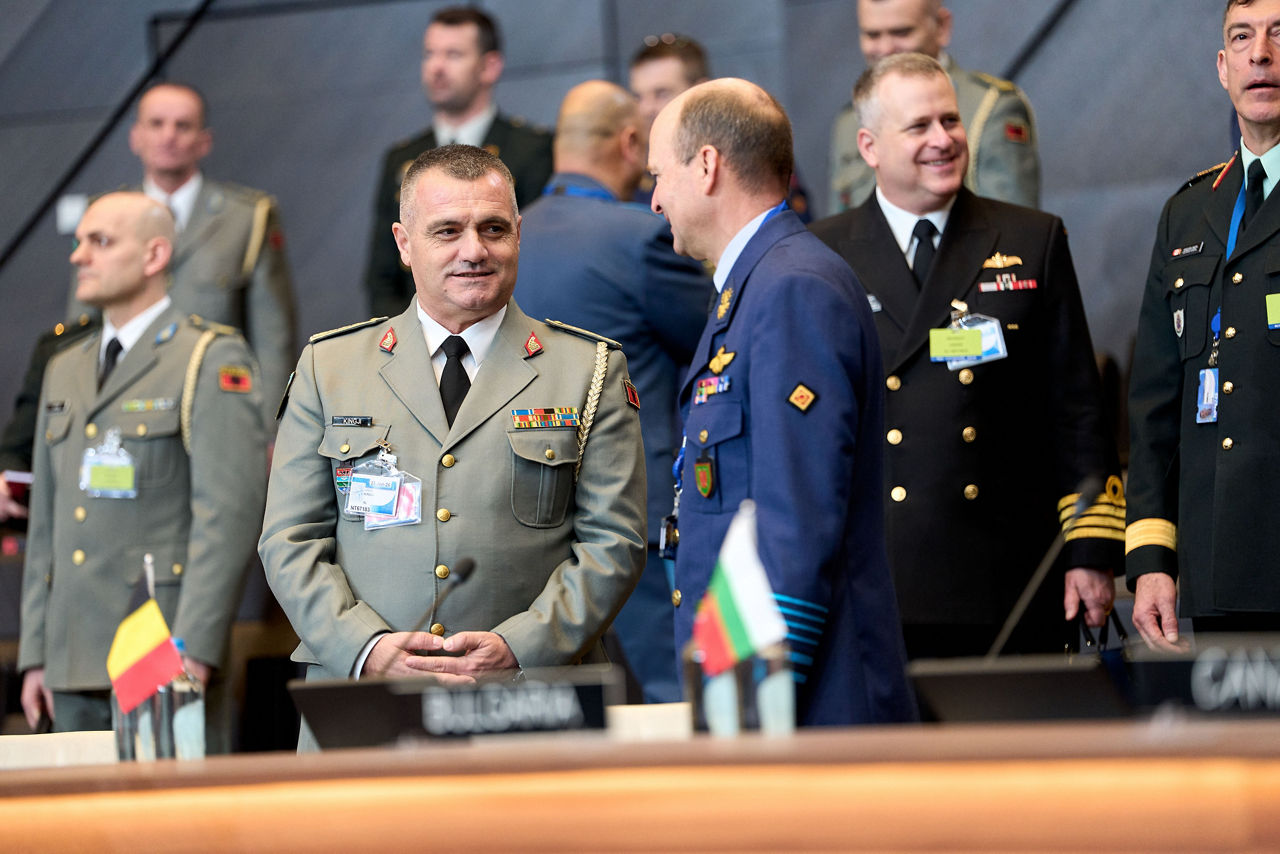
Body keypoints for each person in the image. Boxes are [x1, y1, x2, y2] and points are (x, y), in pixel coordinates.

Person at [260, 145, 646, 748]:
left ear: (519, 234)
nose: (474, 250)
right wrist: (363, 647)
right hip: (365, 698)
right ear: (404, 243)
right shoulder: (329, 368)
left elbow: (613, 544)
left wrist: (520, 646)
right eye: (447, 231)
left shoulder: (588, 369)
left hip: (532, 701)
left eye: (493, 228)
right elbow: (290, 540)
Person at [810, 53, 1123, 659]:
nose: (943, 140)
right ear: (869, 147)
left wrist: (1089, 553)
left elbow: (1076, 410)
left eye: (950, 121)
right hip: (876, 577)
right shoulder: (824, 254)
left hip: (1006, 574)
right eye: (919, 126)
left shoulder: (1032, 239)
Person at [648, 78, 916, 725]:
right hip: (773, 686)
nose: (654, 201)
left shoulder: (791, 287)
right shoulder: (755, 285)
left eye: (659, 176)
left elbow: (795, 526)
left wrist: (744, 703)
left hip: (810, 700)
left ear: (706, 165)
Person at [18, 192, 267, 740]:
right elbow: (47, 524)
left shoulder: (208, 357)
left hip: (161, 649)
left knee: (168, 824)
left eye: (100, 241)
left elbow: (228, 517)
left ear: (155, 256)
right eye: (79, 241)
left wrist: (196, 647)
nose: (79, 256)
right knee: (74, 825)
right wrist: (34, 653)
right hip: (68, 653)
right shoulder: (63, 367)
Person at [516, 80, 714, 703]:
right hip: (636, 520)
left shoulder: (503, 241)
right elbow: (720, 348)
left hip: (531, 518)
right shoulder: (641, 239)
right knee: (667, 701)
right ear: (631, 143)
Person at [1127, 0, 1280, 648]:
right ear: (1222, 67)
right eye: (1241, 38)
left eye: (1279, 35)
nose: (1261, 54)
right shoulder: (1188, 213)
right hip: (1216, 569)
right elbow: (1155, 405)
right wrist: (1153, 560)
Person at [66, 82, 297, 428]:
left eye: (183, 125)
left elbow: (273, 337)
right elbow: (80, 329)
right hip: (120, 404)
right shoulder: (102, 214)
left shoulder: (247, 216)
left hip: (216, 406)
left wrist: (271, 430)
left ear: (204, 141)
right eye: (156, 124)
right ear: (135, 137)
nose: (168, 136)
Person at [365, 6, 553, 318]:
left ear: (489, 66)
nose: (436, 67)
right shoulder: (400, 159)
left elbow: (538, 264)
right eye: (429, 54)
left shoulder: (532, 150)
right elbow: (382, 277)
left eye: (453, 55)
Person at [828, 0, 1039, 214]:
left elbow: (1012, 231)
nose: (885, 48)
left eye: (902, 32)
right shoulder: (849, 121)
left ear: (941, 26)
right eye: (872, 35)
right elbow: (841, 231)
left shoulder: (991, 108)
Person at [629, 33, 812, 220]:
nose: (646, 109)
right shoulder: (634, 167)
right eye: (638, 97)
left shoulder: (748, 151)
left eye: (661, 93)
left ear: (700, 90)